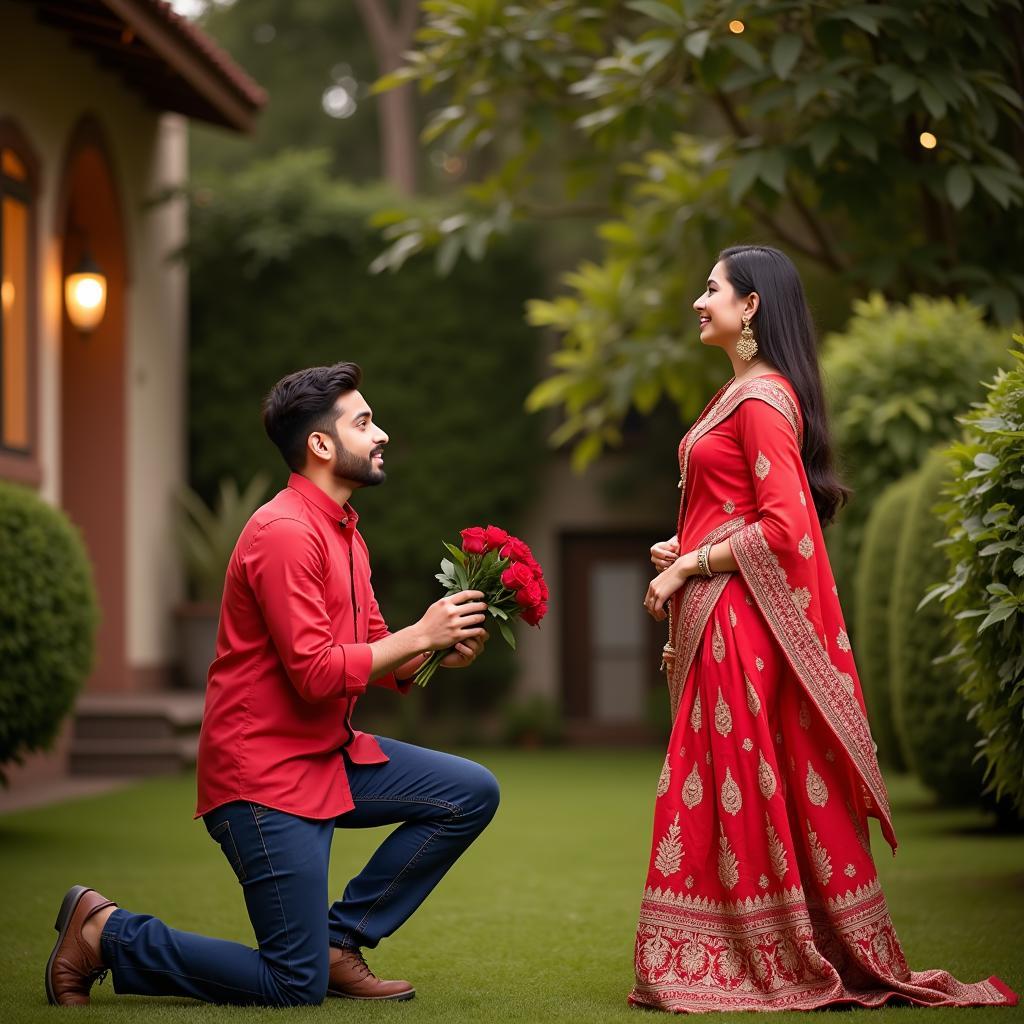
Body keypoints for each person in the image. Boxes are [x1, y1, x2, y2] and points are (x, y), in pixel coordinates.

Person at [629, 246, 1018, 1012]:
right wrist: (690, 545)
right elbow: (744, 511)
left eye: (711, 289)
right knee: (715, 788)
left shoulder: (765, 398)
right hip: (723, 618)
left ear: (752, 307)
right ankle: (718, 953)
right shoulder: (738, 393)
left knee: (728, 786)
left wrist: (687, 565)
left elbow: (783, 530)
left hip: (742, 627)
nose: (699, 302)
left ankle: (747, 957)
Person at [46, 362, 500, 1008]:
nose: (383, 436)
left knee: (469, 793)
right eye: (365, 423)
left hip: (327, 757)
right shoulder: (283, 533)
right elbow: (316, 673)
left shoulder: (345, 533)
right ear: (320, 444)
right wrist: (419, 635)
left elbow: (373, 646)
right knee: (291, 982)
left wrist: (436, 653)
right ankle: (106, 934)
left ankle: (340, 941)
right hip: (263, 778)